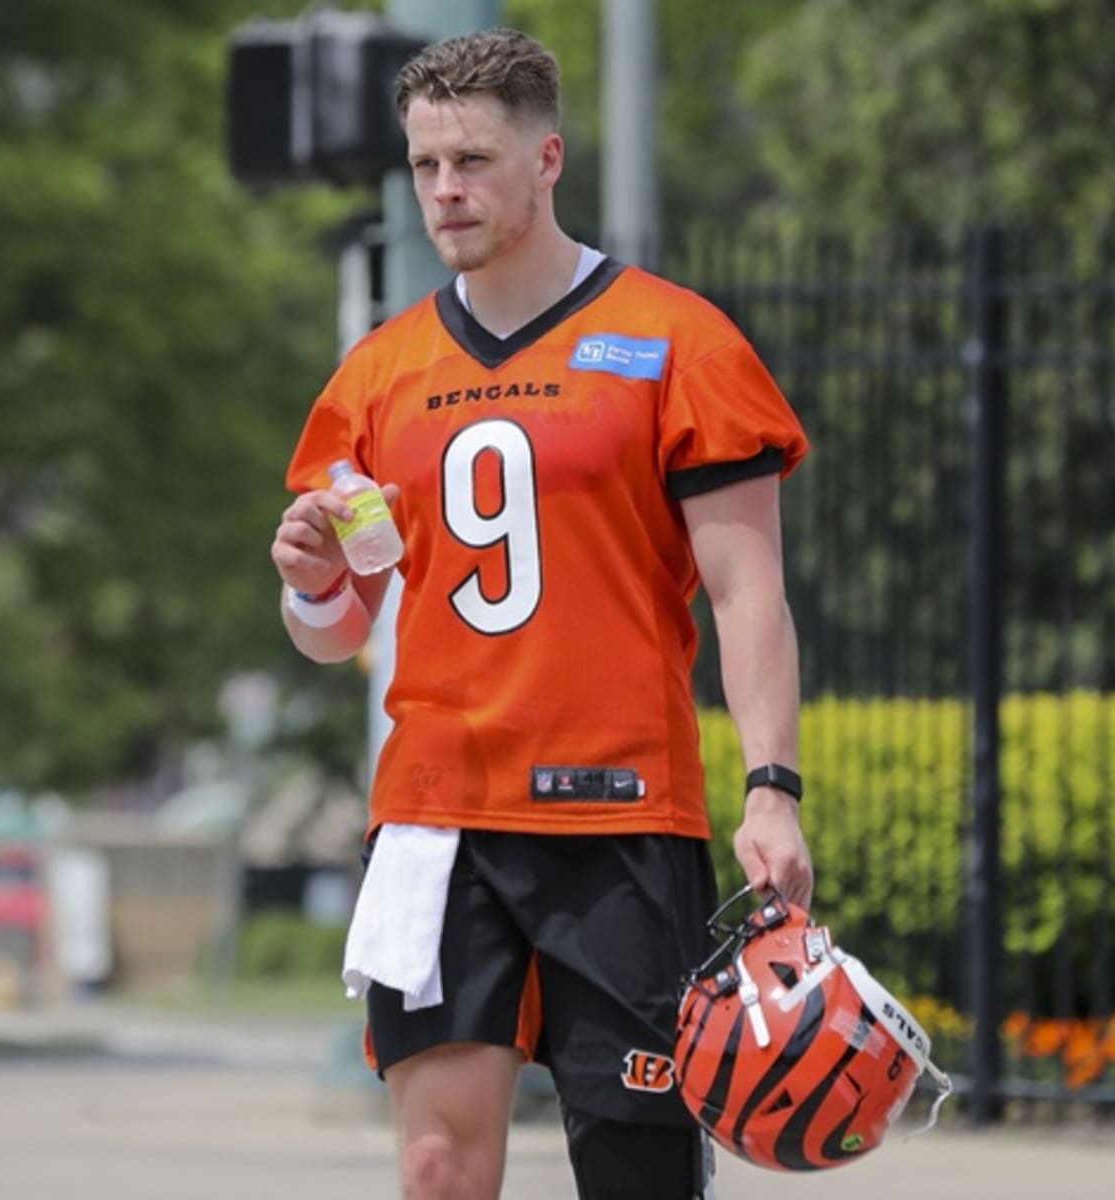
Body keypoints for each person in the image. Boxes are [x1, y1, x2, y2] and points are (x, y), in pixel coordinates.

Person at [270, 27, 813, 1200]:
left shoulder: (681, 342)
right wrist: (311, 576)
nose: (445, 191)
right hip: (435, 818)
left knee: (635, 1173)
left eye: (472, 160)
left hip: (617, 814)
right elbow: (337, 631)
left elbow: (748, 591)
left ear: (549, 156)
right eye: (424, 165)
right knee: (432, 1167)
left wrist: (775, 789)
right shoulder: (376, 374)